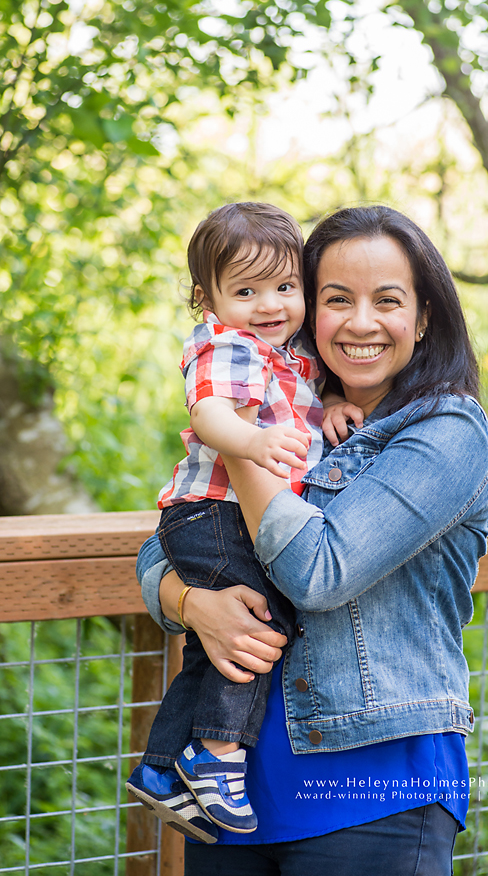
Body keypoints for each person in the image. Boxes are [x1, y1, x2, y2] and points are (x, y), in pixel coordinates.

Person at [137, 205, 488, 874]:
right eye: (337, 299)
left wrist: (242, 442)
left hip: (376, 790)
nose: (360, 322)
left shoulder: (447, 431)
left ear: (421, 318)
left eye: (386, 301)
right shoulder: (286, 402)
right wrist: (195, 606)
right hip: (228, 792)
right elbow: (162, 547)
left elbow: (318, 572)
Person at [126, 202, 360, 841]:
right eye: (246, 290)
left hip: (228, 516)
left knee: (217, 641)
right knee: (261, 617)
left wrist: (333, 401)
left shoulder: (289, 356)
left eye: (285, 288)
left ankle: (160, 770)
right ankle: (218, 757)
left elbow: (307, 399)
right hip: (215, 512)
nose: (270, 304)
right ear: (209, 298)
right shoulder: (228, 345)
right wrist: (249, 442)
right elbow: (209, 415)